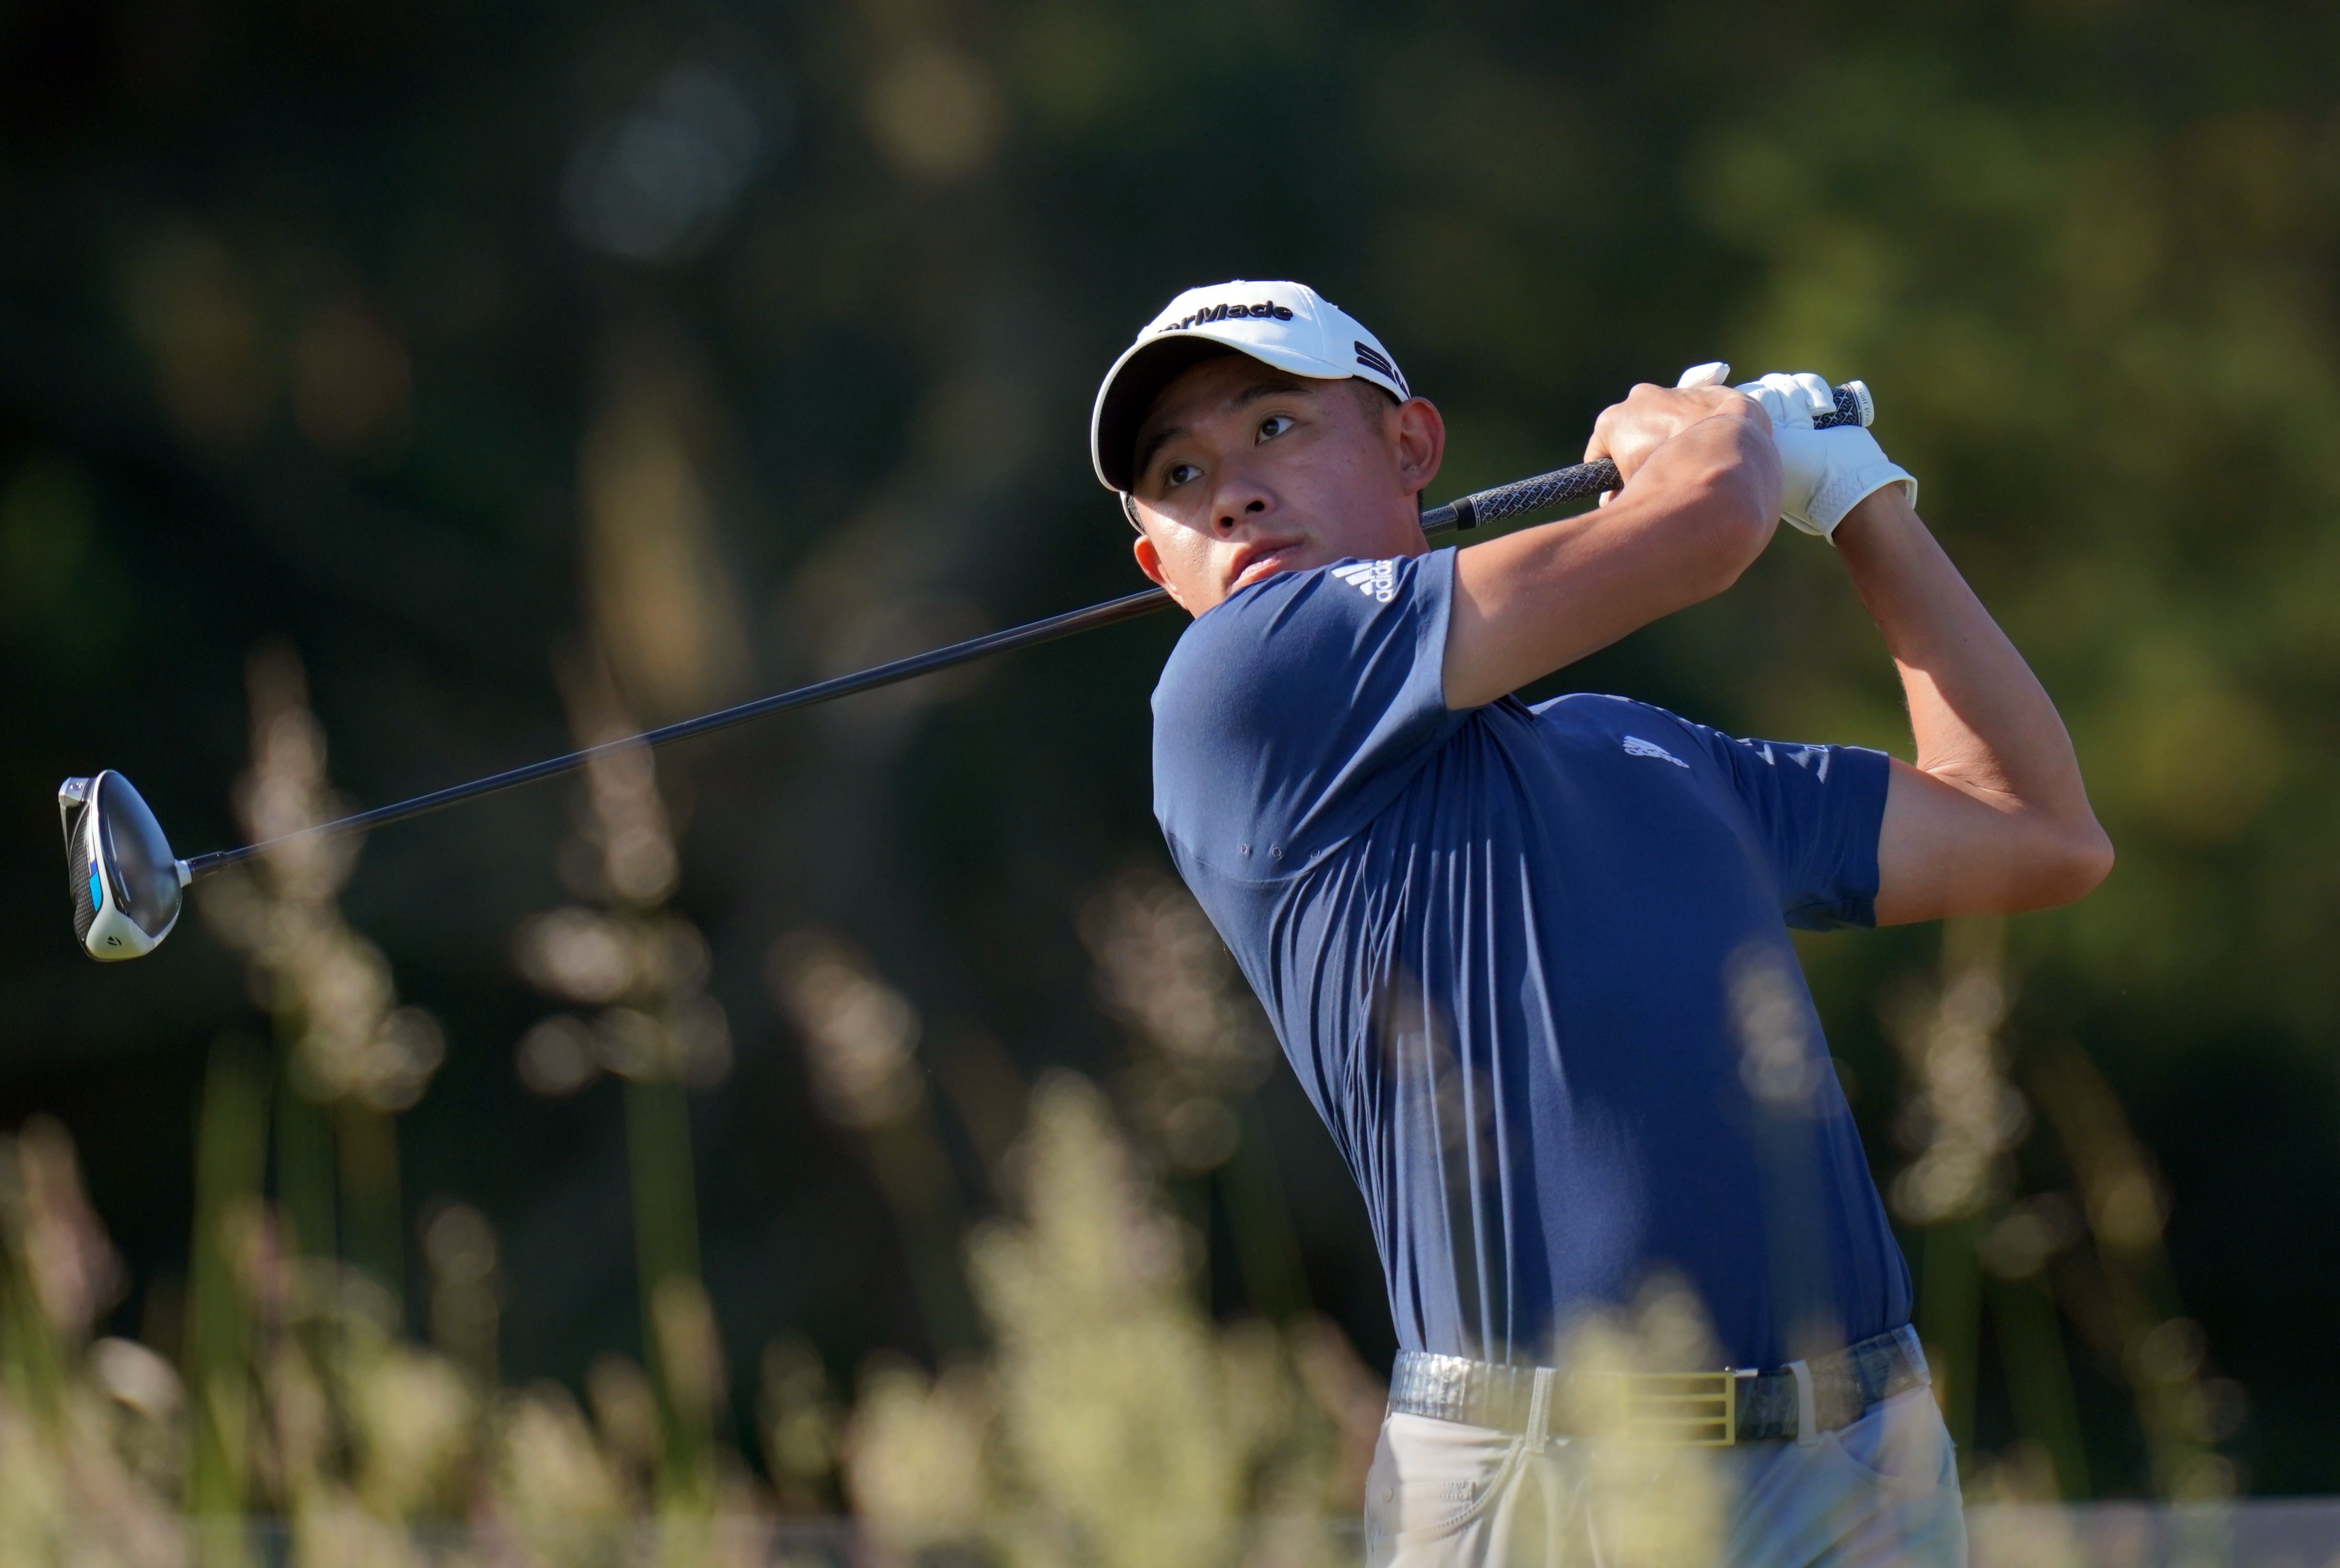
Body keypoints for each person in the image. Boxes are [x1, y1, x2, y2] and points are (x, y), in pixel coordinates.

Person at [1088, 280, 2112, 1566]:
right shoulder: (1238, 689)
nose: (1229, 489)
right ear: (1156, 562)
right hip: (1551, 1483)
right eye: (1179, 474)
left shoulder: (1639, 748)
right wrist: (1694, 432)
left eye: (1275, 430)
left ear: (1411, 445)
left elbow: (2037, 831)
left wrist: (1862, 501)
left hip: (1860, 1462)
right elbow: (1706, 528)